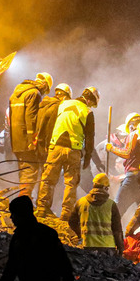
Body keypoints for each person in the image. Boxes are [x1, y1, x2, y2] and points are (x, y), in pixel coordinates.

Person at [35, 86, 98, 220]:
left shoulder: (62, 104)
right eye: (93, 103)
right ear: (89, 100)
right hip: (74, 151)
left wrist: (47, 145)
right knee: (71, 183)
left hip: (55, 147)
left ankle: (42, 209)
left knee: (48, 179)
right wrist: (87, 157)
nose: (92, 106)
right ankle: (66, 214)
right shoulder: (87, 112)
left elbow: (51, 124)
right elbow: (90, 137)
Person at [9, 72, 52, 198]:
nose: (44, 93)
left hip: (15, 139)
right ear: (44, 85)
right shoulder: (34, 93)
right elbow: (31, 118)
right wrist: (32, 141)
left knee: (23, 170)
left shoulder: (16, 93)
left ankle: (23, 197)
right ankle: (24, 200)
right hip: (26, 139)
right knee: (30, 170)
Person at [109, 120, 140, 216]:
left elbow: (127, 153)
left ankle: (111, 230)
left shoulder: (134, 135)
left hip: (133, 177)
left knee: (118, 207)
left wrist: (111, 148)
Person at [69, 173, 123, 255]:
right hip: (108, 247)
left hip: (87, 245)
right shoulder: (111, 204)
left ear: (94, 185)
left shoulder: (81, 202)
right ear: (105, 187)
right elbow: (117, 229)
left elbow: (72, 222)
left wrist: (80, 236)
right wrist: (120, 247)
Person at [35, 83, 72, 163]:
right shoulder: (57, 107)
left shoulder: (44, 104)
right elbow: (50, 128)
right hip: (48, 147)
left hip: (38, 145)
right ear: (65, 97)